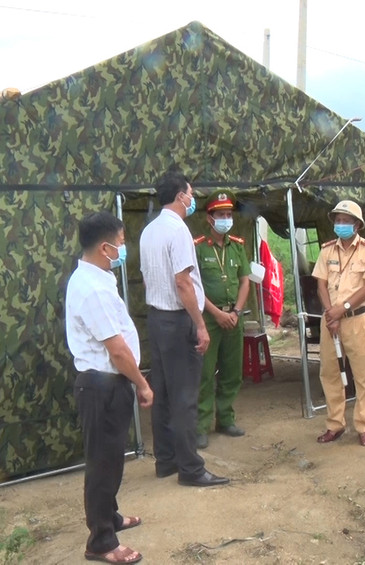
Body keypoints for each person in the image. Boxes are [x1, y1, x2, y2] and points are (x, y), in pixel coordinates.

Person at [65, 211, 153, 565]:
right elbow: (117, 350)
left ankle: (111, 516)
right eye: (120, 243)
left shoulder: (99, 277)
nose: (123, 248)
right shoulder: (90, 289)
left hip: (109, 385)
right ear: (104, 247)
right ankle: (101, 541)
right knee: (102, 465)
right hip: (101, 387)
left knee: (112, 459)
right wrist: (143, 384)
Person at [140, 170, 228, 487]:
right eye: (191, 194)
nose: (193, 199)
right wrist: (200, 325)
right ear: (180, 196)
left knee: (162, 392)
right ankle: (191, 468)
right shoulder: (178, 231)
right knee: (185, 396)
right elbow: (183, 282)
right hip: (178, 321)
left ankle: (166, 460)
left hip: (157, 319)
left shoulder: (149, 231)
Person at [311, 200, 365, 447]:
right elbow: (320, 283)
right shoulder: (327, 250)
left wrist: (341, 310)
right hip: (330, 321)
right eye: (338, 220)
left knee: (363, 374)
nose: (341, 224)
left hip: (357, 319)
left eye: (346, 220)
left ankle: (363, 426)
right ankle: (335, 424)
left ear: (357, 224)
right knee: (329, 372)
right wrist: (329, 314)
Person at [194, 190, 251, 449]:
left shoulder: (238, 245)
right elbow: (193, 287)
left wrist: (236, 312)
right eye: (221, 215)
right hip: (209, 317)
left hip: (234, 317)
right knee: (205, 373)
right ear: (210, 218)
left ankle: (225, 418)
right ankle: (201, 425)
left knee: (232, 371)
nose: (226, 219)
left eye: (229, 215)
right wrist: (218, 314)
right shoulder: (197, 247)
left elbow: (245, 281)